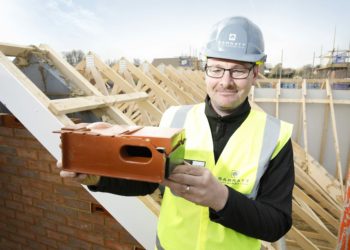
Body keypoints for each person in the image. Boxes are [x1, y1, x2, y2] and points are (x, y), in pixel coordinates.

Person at [58, 16, 294, 250]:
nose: (226, 81)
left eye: (238, 71)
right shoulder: (175, 118)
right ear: (205, 69)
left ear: (255, 73)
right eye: (217, 69)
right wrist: (98, 178)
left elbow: (276, 223)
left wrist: (221, 198)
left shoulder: (274, 135)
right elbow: (147, 181)